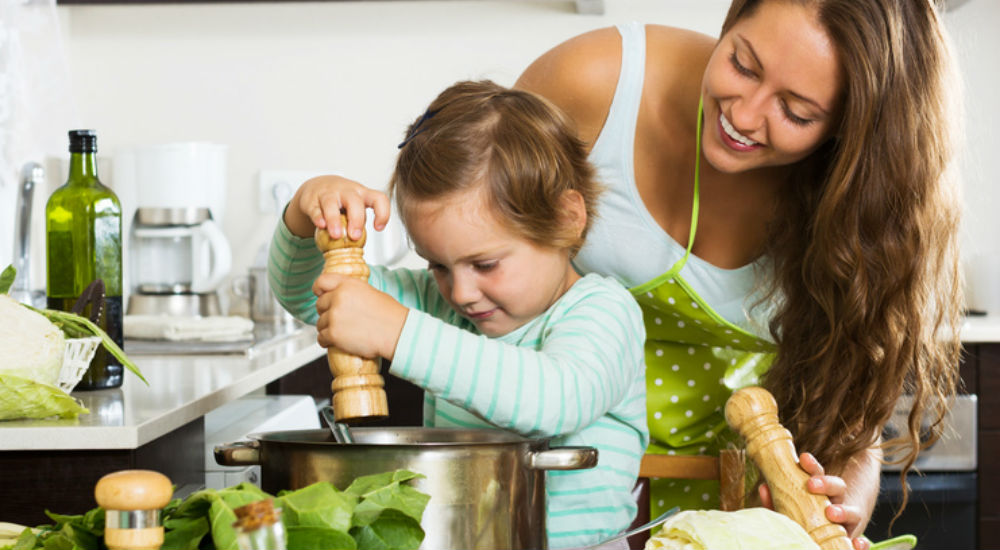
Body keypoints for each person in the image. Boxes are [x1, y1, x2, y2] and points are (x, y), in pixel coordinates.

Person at [514, 0, 964, 548]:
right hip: (559, 490)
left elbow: (854, 428)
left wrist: (843, 498)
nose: (744, 117)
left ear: (853, 134)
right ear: (729, 22)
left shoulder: (870, 216)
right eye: (742, 65)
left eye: (797, 112)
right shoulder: (591, 83)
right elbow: (467, 230)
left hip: (744, 517)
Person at [268, 79, 649, 549]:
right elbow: (312, 297)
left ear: (567, 218)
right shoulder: (435, 303)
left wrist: (397, 331)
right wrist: (306, 214)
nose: (461, 293)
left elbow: (555, 401)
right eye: (438, 265)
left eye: (485, 264)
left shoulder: (604, 312)